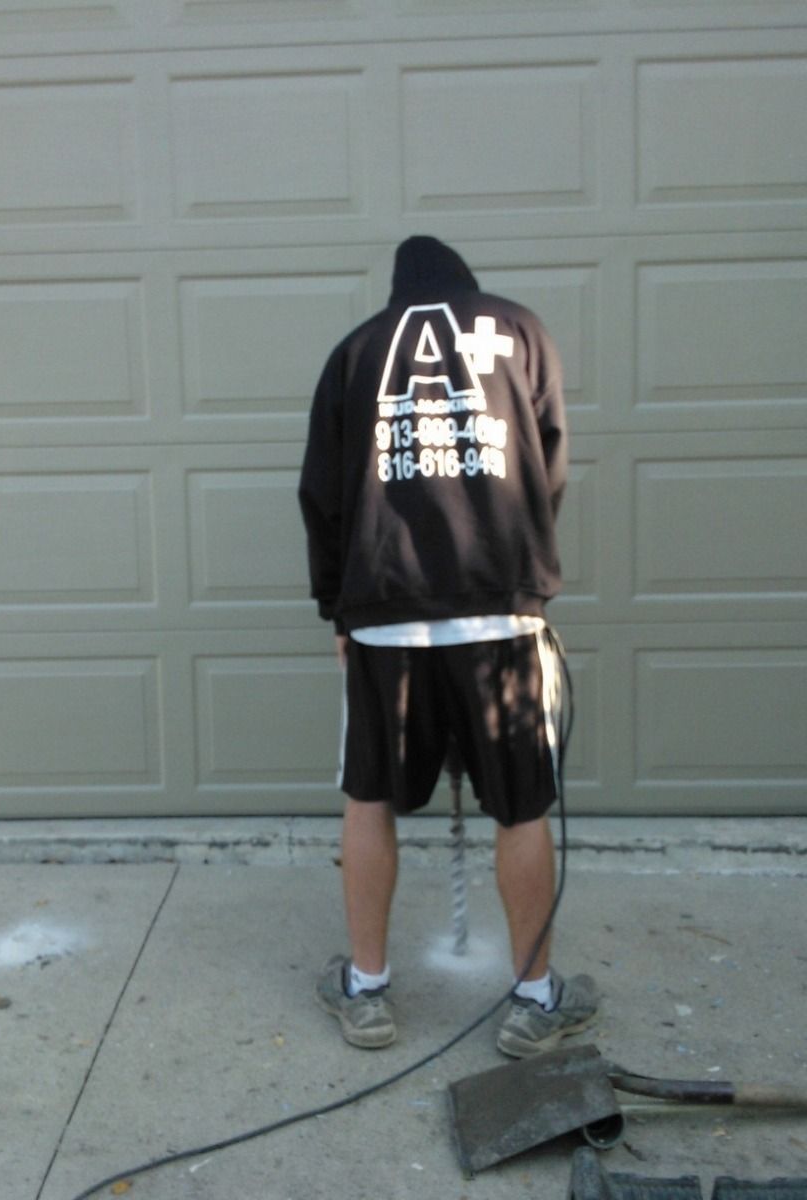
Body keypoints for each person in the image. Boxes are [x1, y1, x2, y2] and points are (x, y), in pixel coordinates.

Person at [297, 235, 598, 1059]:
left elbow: (321, 493)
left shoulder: (357, 350)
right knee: (520, 807)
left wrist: (337, 611)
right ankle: (534, 1001)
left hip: (386, 616)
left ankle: (366, 992)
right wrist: (525, 575)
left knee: (368, 797)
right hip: (498, 613)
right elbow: (549, 460)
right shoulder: (519, 330)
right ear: (467, 285)